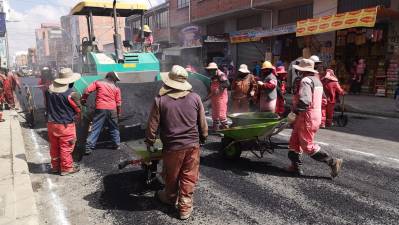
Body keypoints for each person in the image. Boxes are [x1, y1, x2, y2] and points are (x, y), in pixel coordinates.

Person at [146, 65, 208, 220]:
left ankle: (170, 197)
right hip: (193, 145)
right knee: (189, 176)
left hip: (172, 147)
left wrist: (150, 141)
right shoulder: (195, 98)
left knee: (171, 176)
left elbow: (152, 125)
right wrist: (204, 137)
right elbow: (203, 123)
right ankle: (185, 208)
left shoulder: (160, 100)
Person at [287, 59, 343, 178]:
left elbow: (305, 101)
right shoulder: (318, 81)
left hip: (306, 116)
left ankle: (333, 162)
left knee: (307, 146)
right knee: (294, 142)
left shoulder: (306, 80)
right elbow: (323, 100)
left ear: (302, 71)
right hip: (313, 115)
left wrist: (295, 112)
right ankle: (295, 166)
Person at [45, 68, 82, 176]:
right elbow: (78, 110)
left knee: (54, 146)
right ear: (70, 81)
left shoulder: (50, 91)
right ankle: (66, 168)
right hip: (65, 126)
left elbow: (47, 106)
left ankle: (55, 167)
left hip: (51, 124)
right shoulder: (72, 94)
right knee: (66, 146)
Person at [82, 72, 122, 155]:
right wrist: (118, 113)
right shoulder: (116, 88)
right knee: (114, 127)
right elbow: (118, 103)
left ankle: (89, 145)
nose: (116, 82)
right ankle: (116, 144)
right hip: (112, 109)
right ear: (113, 78)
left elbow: (86, 91)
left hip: (100, 108)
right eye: (115, 80)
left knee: (96, 127)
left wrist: (84, 99)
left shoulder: (98, 82)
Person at [205, 62, 229, 130]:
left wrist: (219, 88)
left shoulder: (221, 74)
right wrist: (207, 97)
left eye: (211, 69)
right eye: (209, 70)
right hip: (214, 97)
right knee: (215, 114)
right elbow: (211, 88)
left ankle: (227, 129)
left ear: (215, 69)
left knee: (221, 114)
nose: (210, 71)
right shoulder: (212, 76)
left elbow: (227, 83)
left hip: (221, 97)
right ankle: (215, 129)